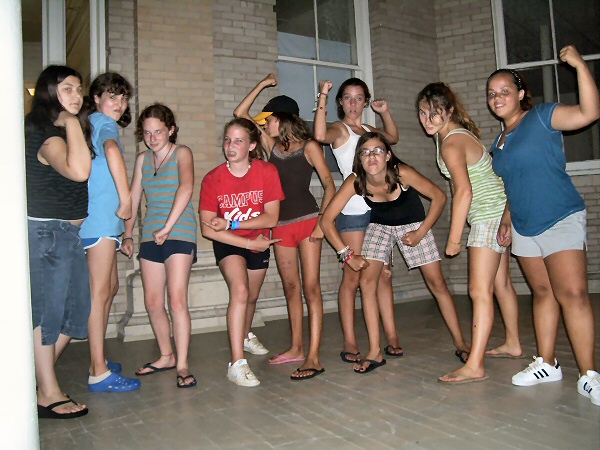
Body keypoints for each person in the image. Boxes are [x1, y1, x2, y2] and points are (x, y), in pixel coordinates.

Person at [315, 79, 468, 362]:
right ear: (358, 159)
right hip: (379, 226)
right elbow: (327, 221)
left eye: (377, 151)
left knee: (436, 283)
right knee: (368, 282)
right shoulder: (354, 180)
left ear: (387, 155)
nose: (371, 157)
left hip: (412, 224)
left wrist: (421, 233)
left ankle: (461, 342)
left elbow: (439, 197)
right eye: (365, 153)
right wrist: (346, 254)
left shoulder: (401, 172)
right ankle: (374, 351)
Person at [487, 45, 599, 405]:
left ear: (520, 95)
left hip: (559, 216)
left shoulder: (543, 117)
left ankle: (588, 375)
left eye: (504, 91)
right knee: (543, 294)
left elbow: (589, 112)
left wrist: (580, 66)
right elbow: (513, 183)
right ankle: (547, 363)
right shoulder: (500, 141)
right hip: (523, 225)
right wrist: (507, 217)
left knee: (573, 295)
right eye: (492, 94)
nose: (497, 97)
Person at [417, 82, 523, 384]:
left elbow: (463, 191)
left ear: (449, 111)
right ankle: (513, 342)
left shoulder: (451, 141)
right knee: (500, 283)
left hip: (489, 215)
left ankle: (474, 364)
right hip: (494, 212)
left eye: (434, 114)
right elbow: (458, 186)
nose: (427, 120)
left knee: (479, 290)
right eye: (423, 114)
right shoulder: (448, 138)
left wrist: (454, 239)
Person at [234, 74, 335, 380]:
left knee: (311, 288)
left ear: (283, 119)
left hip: (308, 223)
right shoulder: (271, 145)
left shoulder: (311, 147)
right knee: (292, 288)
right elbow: (240, 114)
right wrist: (263, 84)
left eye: (269, 120)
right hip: (280, 228)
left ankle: (314, 356)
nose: (264, 125)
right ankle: (296, 347)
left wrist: (322, 223)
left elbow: (329, 186)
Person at [25, 65, 92, 418]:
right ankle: (48, 392)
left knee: (77, 313)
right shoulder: (47, 135)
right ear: (50, 92)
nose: (77, 96)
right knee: (49, 316)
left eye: (79, 89)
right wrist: (70, 122)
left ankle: (32, 376)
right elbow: (80, 172)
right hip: (47, 233)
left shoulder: (62, 131)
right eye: (67, 89)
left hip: (65, 235)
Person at [199, 118, 283, 387]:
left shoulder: (266, 171)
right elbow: (209, 229)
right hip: (230, 242)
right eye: (227, 139)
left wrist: (233, 223)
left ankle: (246, 334)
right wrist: (245, 242)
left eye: (238, 140)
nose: (230, 145)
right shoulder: (213, 179)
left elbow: (271, 218)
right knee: (241, 291)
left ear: (252, 145)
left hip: (255, 237)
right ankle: (236, 364)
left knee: (252, 296)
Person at [122, 104, 198, 388]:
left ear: (171, 130)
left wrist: (167, 226)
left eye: (158, 132)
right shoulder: (143, 159)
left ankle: (182, 364)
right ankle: (166, 355)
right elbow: (132, 196)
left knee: (176, 299)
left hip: (179, 231)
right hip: (151, 234)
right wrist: (128, 234)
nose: (152, 138)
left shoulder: (182, 153)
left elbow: (186, 188)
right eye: (147, 133)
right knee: (152, 301)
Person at [79, 72, 141, 392]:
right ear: (97, 99)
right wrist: (127, 200)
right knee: (99, 292)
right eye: (112, 96)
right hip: (101, 220)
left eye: (123, 97)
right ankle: (98, 371)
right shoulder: (103, 123)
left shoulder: (95, 123)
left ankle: (97, 358)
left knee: (111, 287)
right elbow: (114, 152)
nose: (118, 103)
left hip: (106, 223)